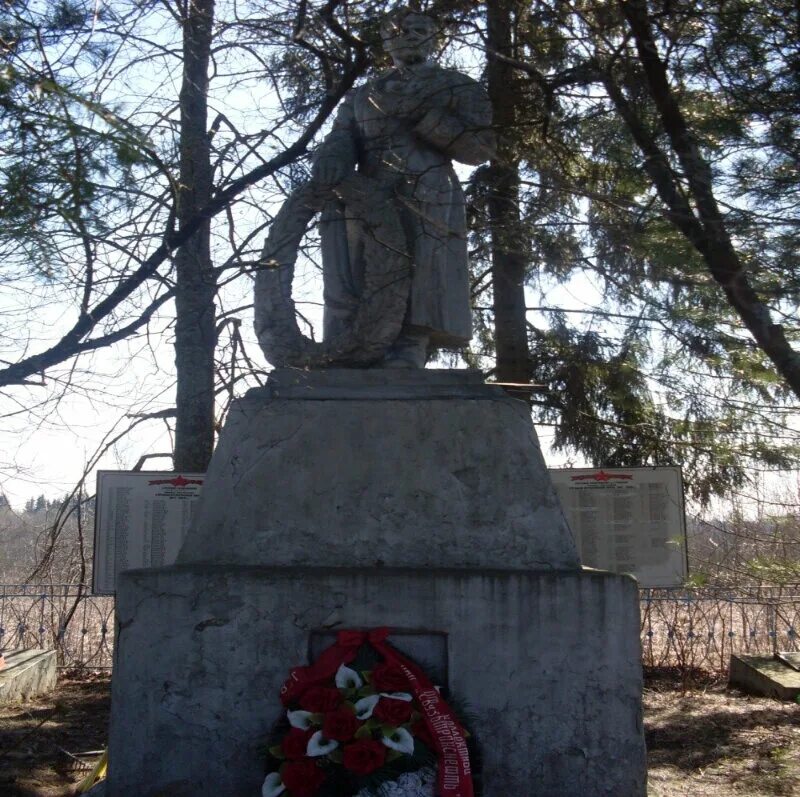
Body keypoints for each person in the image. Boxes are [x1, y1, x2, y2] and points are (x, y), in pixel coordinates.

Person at [312, 8, 495, 368]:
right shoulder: (362, 95)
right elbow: (342, 136)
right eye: (399, 30)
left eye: (419, 29)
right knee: (357, 266)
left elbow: (480, 148)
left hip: (426, 187)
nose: (409, 35)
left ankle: (409, 345)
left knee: (421, 267)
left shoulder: (457, 85)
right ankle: (352, 343)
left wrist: (426, 118)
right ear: (386, 39)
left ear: (433, 37)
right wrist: (332, 156)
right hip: (367, 191)